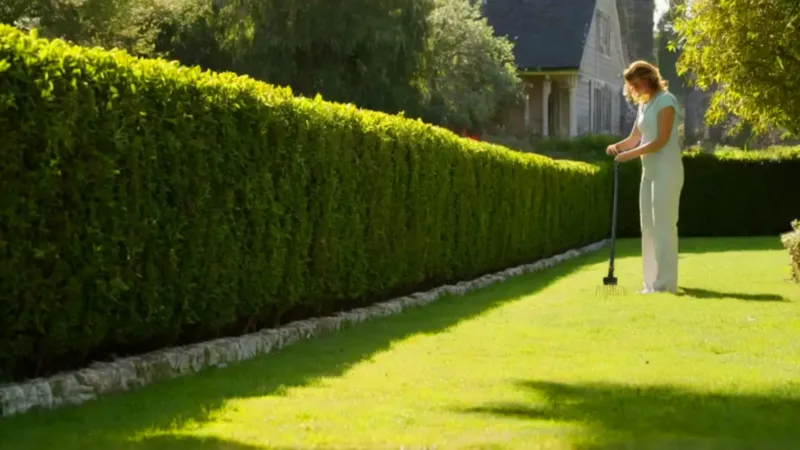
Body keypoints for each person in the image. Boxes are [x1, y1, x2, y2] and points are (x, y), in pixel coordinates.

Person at [606, 60, 684, 294]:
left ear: (648, 78)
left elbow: (659, 141)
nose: (634, 90)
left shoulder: (666, 101)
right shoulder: (645, 104)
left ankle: (666, 283)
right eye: (631, 86)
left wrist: (628, 156)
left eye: (636, 84)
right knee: (648, 227)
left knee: (664, 226)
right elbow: (634, 139)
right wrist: (616, 147)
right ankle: (650, 283)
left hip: (667, 170)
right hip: (648, 172)